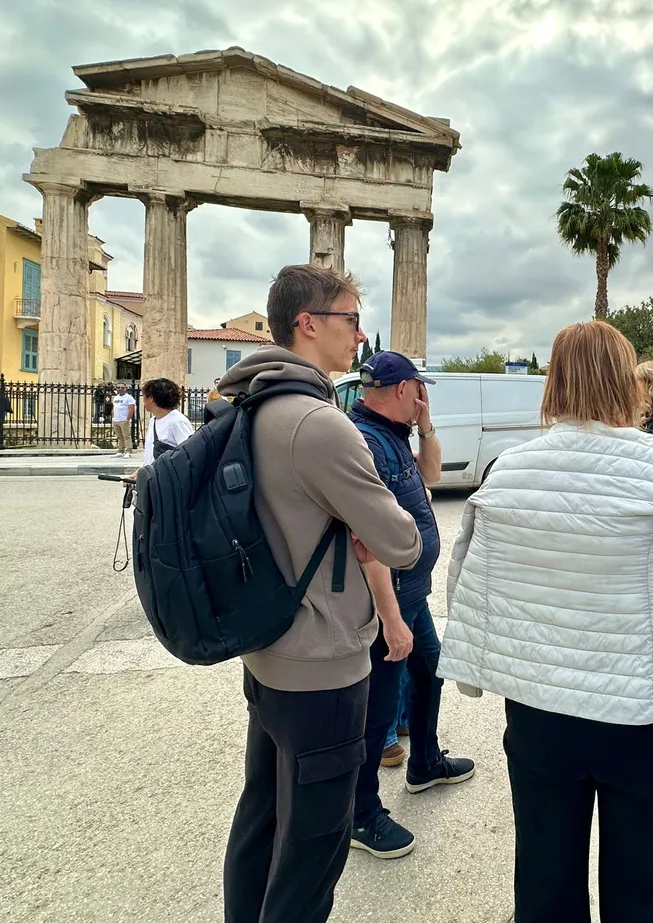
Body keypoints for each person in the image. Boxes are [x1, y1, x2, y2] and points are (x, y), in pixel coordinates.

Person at [436, 320, 653, 923]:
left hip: (540, 710)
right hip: (642, 714)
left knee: (544, 876)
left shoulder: (510, 469)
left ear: (554, 382)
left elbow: (473, 578)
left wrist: (473, 671)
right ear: (626, 382)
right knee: (643, 887)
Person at [218, 265, 423, 923]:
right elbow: (402, 540)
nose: (360, 336)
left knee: (262, 819)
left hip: (268, 649)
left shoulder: (248, 402)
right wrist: (371, 526)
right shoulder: (318, 422)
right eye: (351, 319)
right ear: (307, 323)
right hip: (322, 665)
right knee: (312, 850)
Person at [347, 351, 475, 861]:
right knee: (379, 705)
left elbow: (433, 473)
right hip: (391, 599)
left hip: (412, 592)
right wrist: (390, 618)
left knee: (429, 672)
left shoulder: (393, 434)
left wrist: (425, 425)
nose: (424, 397)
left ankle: (424, 763)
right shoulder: (366, 443)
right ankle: (360, 814)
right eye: (420, 389)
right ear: (405, 389)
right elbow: (367, 539)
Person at [141, 378, 194, 465]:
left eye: (144, 396)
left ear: (151, 398)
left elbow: (189, 453)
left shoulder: (177, 421)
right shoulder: (153, 421)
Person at [111, 382, 136, 458]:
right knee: (119, 436)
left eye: (122, 388)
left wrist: (127, 419)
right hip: (116, 420)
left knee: (126, 436)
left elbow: (131, 409)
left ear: (125, 389)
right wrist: (113, 418)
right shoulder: (115, 398)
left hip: (124, 420)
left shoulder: (129, 398)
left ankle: (128, 451)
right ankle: (121, 450)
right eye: (118, 388)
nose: (120, 389)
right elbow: (114, 408)